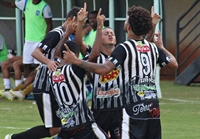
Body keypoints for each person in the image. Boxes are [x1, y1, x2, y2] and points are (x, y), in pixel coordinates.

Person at [63, 5, 178, 139]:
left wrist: (76, 61)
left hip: (132, 107)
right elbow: (174, 64)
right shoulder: (152, 47)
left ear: (128, 27)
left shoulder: (124, 48)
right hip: (152, 107)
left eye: (126, 20)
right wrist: (161, 47)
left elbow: (104, 69)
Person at [4, 5, 80, 139]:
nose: (79, 27)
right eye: (78, 23)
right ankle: (14, 138)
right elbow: (36, 52)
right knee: (54, 128)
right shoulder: (57, 34)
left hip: (56, 85)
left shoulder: (68, 36)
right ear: (69, 20)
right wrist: (49, 62)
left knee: (68, 120)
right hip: (46, 85)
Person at [74, 6, 122, 139]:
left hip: (118, 109)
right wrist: (81, 23)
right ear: (99, 39)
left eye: (112, 33)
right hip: (99, 109)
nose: (110, 35)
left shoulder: (122, 54)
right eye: (106, 34)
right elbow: (78, 42)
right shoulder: (94, 56)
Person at [48, 40, 108, 139]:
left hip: (66, 126)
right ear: (75, 54)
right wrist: (99, 27)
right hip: (83, 126)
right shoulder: (74, 69)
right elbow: (95, 54)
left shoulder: (51, 72)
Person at [0, 0, 53, 81]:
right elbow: (10, 4)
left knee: (37, 66)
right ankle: (25, 89)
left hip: (39, 41)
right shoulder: (25, 3)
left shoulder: (45, 7)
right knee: (26, 65)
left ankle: (36, 87)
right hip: (28, 40)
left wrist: (45, 41)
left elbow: (49, 24)